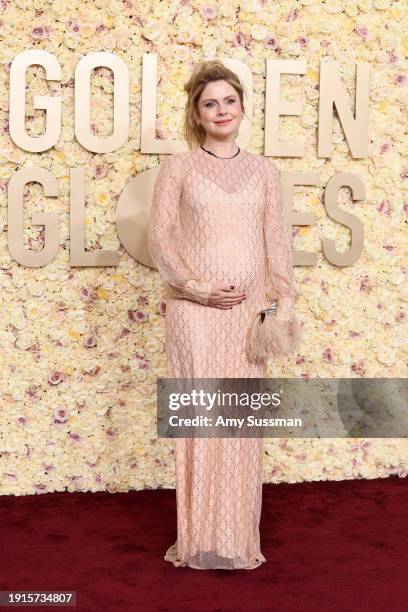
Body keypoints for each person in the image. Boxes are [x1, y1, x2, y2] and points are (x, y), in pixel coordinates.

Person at [148, 60, 299, 570]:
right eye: (209, 103)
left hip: (248, 319)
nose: (221, 110)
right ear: (196, 112)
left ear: (241, 107)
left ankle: (235, 542)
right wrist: (200, 288)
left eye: (228, 101)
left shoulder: (263, 170)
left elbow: (274, 241)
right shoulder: (179, 168)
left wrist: (282, 301)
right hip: (195, 314)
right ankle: (198, 542)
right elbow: (161, 239)